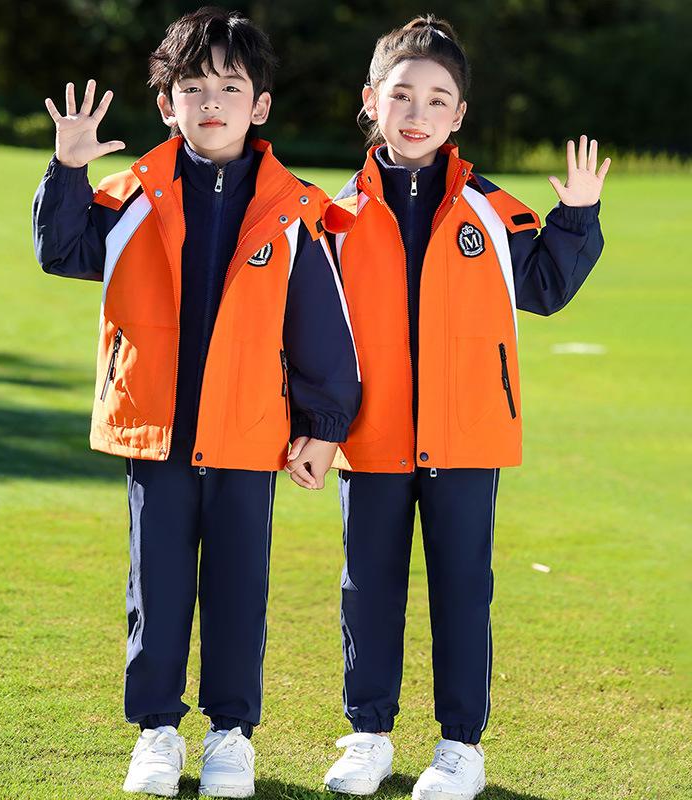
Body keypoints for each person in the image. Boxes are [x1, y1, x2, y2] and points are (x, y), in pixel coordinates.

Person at [32, 7, 361, 797]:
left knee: (239, 592)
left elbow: (320, 325)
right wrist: (68, 169)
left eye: (230, 86)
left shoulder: (295, 208)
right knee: (159, 586)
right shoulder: (132, 196)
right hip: (158, 427)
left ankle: (230, 736)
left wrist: (324, 426)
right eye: (192, 86)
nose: (211, 101)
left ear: (261, 105)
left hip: (249, 432)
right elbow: (62, 249)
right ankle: (156, 733)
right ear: (165, 103)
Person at [296, 14, 609, 800]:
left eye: (438, 99)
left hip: (467, 437)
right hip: (371, 438)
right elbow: (313, 334)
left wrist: (576, 217)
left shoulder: (493, 211)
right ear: (371, 99)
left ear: (459, 115)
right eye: (402, 95)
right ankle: (368, 736)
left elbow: (545, 288)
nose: (418, 113)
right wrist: (316, 428)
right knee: (368, 588)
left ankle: (460, 748)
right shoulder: (334, 214)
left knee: (462, 592)